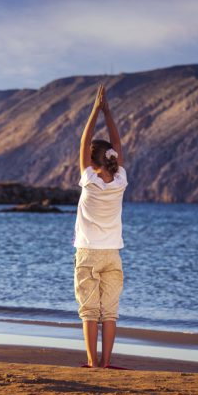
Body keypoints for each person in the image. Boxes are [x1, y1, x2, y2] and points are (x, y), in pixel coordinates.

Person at [74, 83, 128, 369]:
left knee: (89, 311)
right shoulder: (120, 181)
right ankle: (106, 363)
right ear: (111, 160)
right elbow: (117, 145)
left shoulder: (89, 180)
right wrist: (109, 113)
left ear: (92, 162)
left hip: (88, 253)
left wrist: (95, 109)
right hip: (112, 254)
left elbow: (83, 143)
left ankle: (92, 362)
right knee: (110, 313)